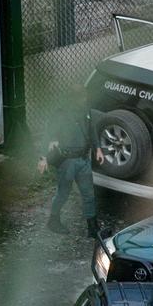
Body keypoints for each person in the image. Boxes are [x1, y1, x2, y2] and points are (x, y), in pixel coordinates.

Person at [38, 92, 104, 237]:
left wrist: (98, 148)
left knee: (88, 194)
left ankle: (92, 228)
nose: (84, 99)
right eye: (81, 97)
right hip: (67, 161)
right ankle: (53, 221)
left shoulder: (86, 111)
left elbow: (91, 130)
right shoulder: (61, 114)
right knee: (63, 193)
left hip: (83, 159)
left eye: (85, 97)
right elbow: (48, 134)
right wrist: (43, 157)